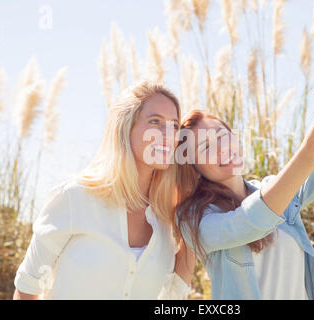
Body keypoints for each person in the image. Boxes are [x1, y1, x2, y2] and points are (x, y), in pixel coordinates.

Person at [175, 72, 314, 299]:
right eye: (205, 147)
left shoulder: (273, 187)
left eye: (222, 135)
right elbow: (250, 222)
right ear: (194, 167)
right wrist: (309, 151)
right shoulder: (196, 219)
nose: (221, 147)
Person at [13, 81, 191, 299]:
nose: (169, 134)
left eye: (174, 125)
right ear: (125, 128)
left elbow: (172, 296)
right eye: (155, 122)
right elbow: (27, 288)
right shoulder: (75, 198)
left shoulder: (169, 217)